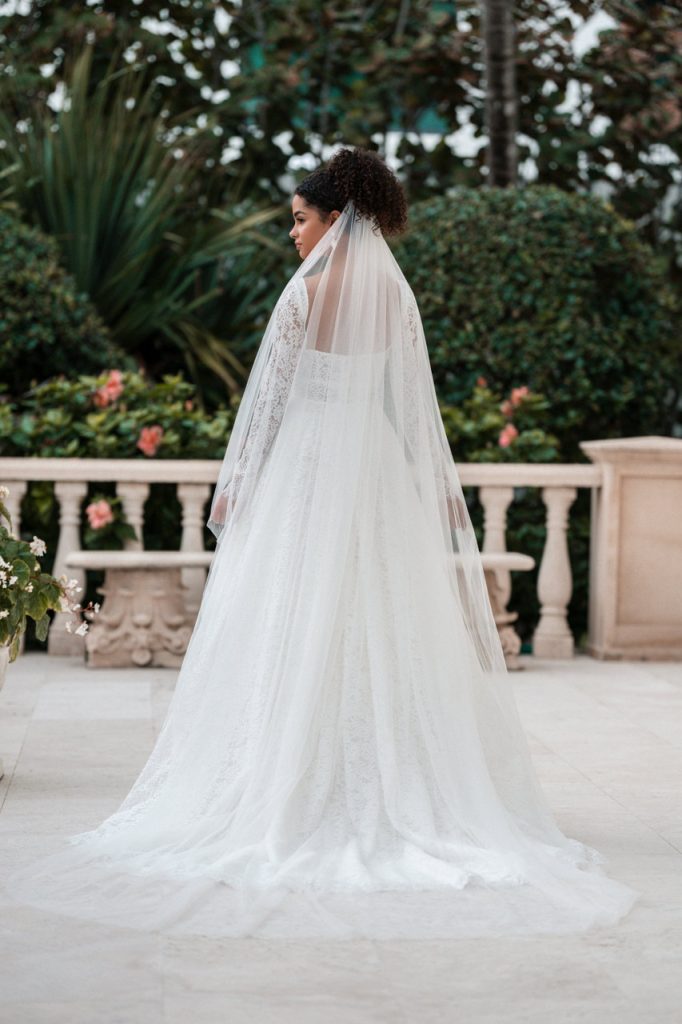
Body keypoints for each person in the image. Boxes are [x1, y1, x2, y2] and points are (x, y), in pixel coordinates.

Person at [7, 147, 637, 939]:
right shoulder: (396, 300)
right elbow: (414, 409)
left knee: (290, 613)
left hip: (308, 465)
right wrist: (432, 487)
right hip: (371, 466)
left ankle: (286, 784)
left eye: (301, 220)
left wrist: (239, 482)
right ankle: (390, 785)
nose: (294, 237)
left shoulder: (303, 296)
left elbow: (266, 405)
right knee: (377, 616)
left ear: (335, 220)